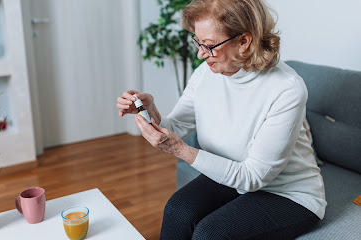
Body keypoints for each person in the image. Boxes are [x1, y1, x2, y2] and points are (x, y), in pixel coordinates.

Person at [116, 0, 326, 239]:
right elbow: (176, 126)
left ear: (244, 41)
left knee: (209, 234)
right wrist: (149, 111)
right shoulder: (206, 72)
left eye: (209, 45)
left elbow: (253, 177)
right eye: (198, 42)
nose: (200, 53)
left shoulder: (286, 88)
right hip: (231, 176)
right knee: (176, 210)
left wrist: (181, 151)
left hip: (288, 194)